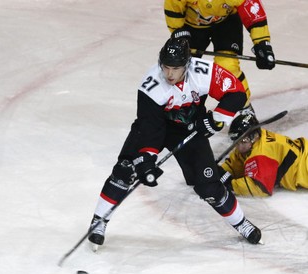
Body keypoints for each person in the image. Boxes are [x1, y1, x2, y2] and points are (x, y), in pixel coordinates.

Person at [88, 38, 263, 251]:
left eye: (175, 68)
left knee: (209, 186)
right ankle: (99, 221)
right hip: (158, 128)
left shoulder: (203, 72)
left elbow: (236, 92)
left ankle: (241, 223)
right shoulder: (151, 86)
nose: (169, 74)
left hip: (190, 130)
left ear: (187, 65)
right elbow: (150, 128)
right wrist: (146, 159)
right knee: (126, 170)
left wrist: (215, 119)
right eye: (166, 67)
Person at [164, 0, 275, 122]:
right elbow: (173, 5)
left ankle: (243, 110)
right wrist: (178, 31)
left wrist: (262, 43)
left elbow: (252, 9)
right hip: (192, 26)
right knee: (183, 68)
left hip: (226, 23)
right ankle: (184, 107)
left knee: (228, 67)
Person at [218, 113, 308, 196]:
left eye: (243, 141)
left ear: (254, 136)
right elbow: (237, 163)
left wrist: (230, 184)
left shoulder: (261, 153)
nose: (239, 147)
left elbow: (260, 188)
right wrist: (218, 171)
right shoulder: (255, 140)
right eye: (236, 142)